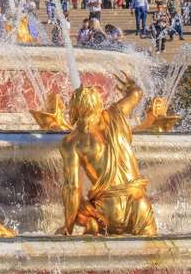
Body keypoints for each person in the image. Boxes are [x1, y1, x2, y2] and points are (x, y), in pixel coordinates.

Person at [59, 76, 157, 236]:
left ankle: (92, 225)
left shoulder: (72, 141)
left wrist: (68, 228)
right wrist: (131, 87)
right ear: (98, 104)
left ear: (75, 108)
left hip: (112, 209)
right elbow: (137, 94)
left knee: (83, 208)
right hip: (140, 203)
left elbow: (72, 189)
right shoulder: (115, 114)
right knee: (150, 257)